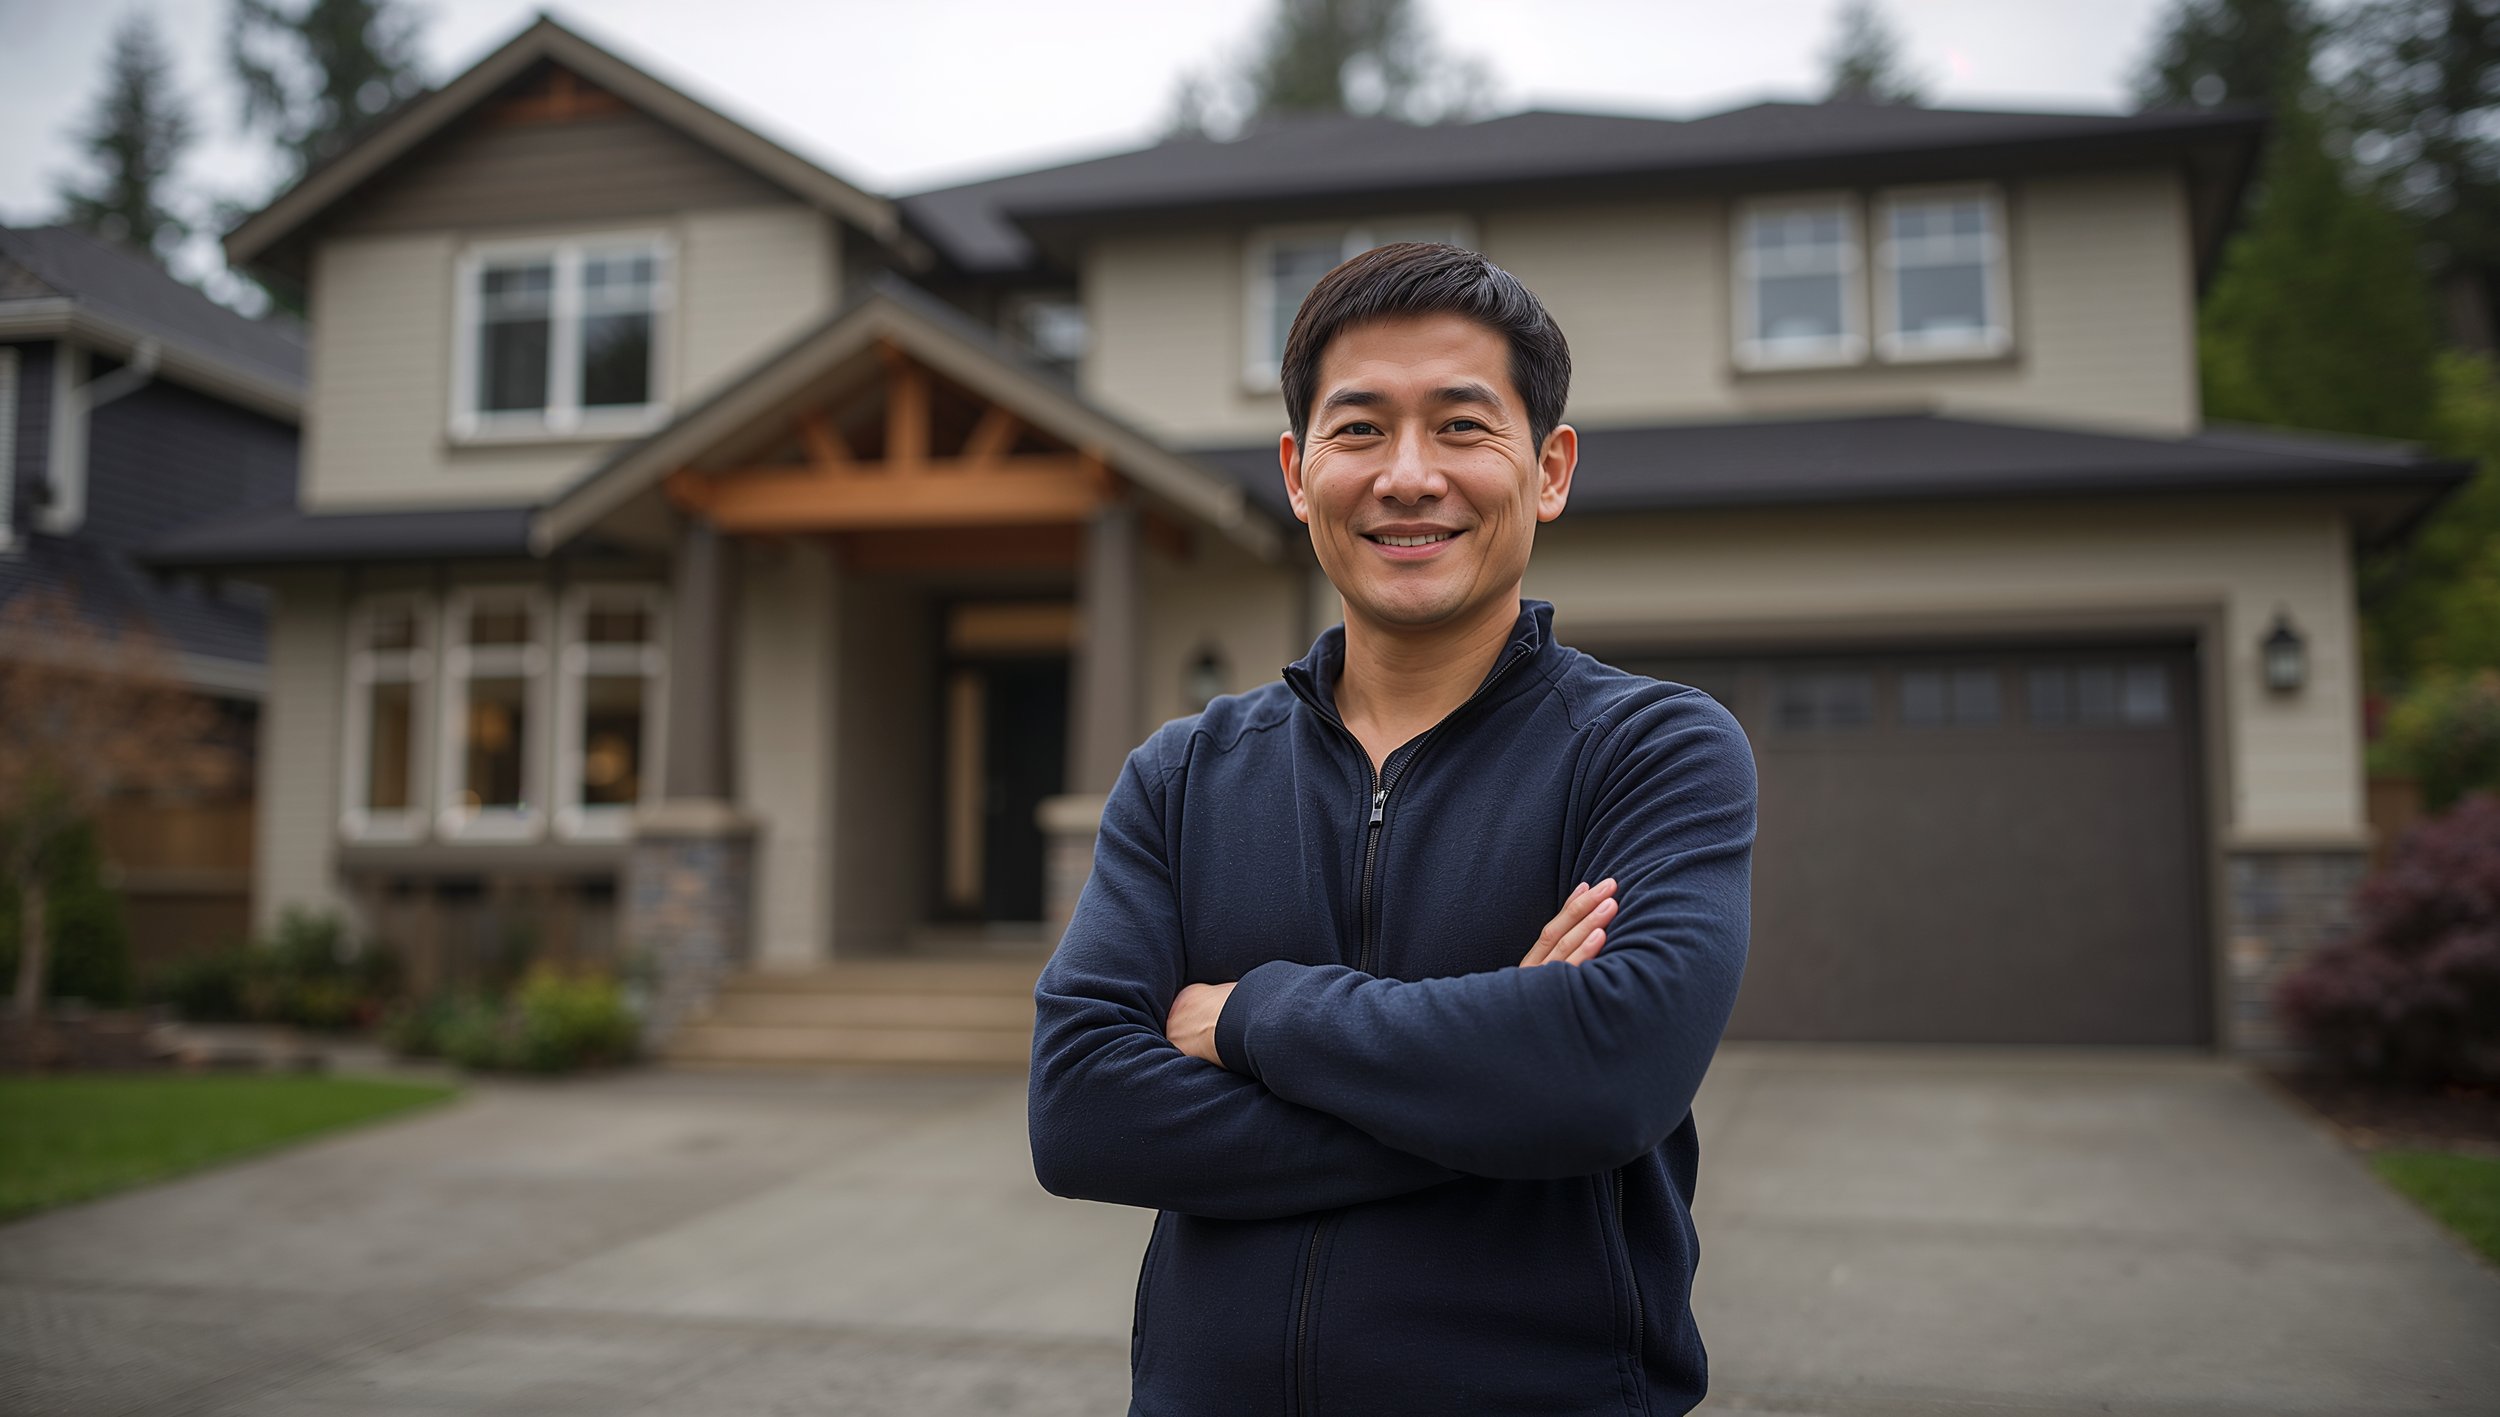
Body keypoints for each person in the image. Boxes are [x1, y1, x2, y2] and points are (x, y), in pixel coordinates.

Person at [1028, 241, 1757, 1416]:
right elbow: (1080, 1113)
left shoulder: (1652, 750)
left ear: (1550, 466)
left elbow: (1610, 1073)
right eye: (1359, 429)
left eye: (1462, 426)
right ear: (1298, 472)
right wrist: (1492, 1088)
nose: (1408, 476)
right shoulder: (1183, 774)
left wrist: (1257, 1014)